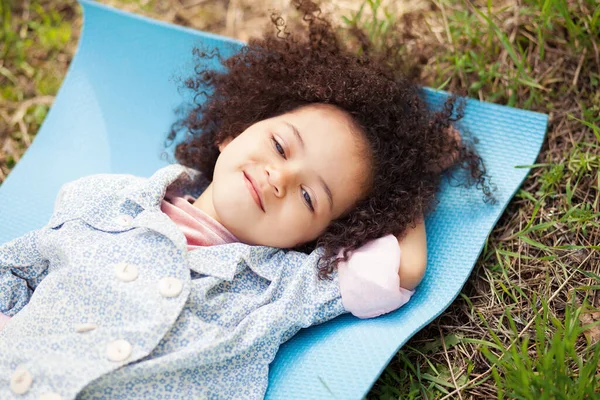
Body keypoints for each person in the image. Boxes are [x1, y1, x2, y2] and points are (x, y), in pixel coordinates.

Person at [0, 1, 490, 398]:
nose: (280, 176)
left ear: (317, 236)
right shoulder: (107, 201)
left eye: (307, 194)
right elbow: (16, 271)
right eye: (280, 146)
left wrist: (415, 181)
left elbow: (399, 272)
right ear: (233, 131)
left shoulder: (282, 289)